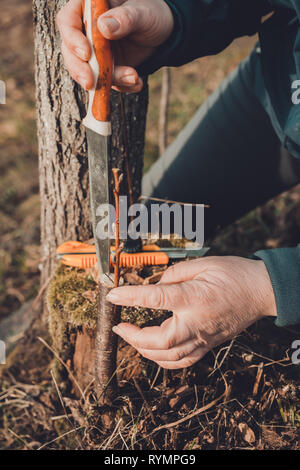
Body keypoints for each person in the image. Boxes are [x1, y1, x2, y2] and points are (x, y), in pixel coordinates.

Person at [57, 0, 300, 370]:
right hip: (278, 89)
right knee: (147, 224)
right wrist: (176, 14)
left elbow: (269, 286)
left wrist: (269, 285)